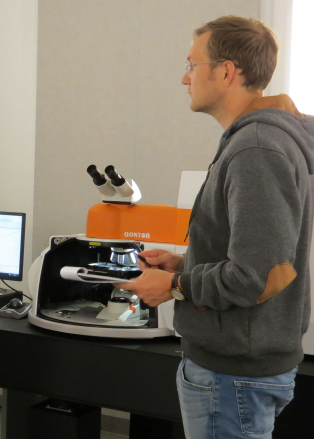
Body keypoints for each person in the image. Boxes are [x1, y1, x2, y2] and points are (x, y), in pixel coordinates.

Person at [118, 16, 314, 439]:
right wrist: (183, 263)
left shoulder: (257, 148)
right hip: (239, 369)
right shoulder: (257, 140)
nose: (184, 78)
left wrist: (172, 287)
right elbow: (254, 253)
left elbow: (257, 275)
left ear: (226, 72)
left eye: (192, 65)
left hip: (232, 375)